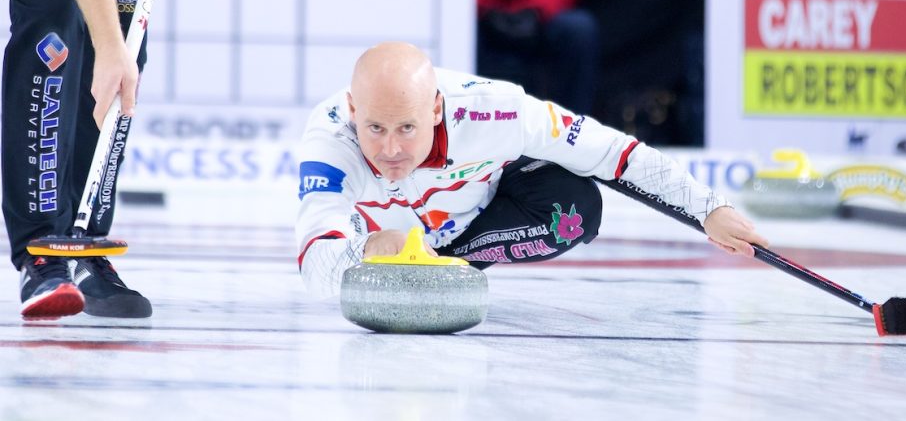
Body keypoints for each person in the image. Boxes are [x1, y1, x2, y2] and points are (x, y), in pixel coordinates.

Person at [295, 42, 768, 298]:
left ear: (437, 110)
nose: (390, 148)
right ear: (354, 110)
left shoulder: (497, 111)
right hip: (384, 249)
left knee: (576, 208)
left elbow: (614, 154)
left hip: (477, 223)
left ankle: (455, 262)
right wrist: (364, 252)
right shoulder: (330, 142)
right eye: (374, 127)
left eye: (407, 127)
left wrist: (709, 209)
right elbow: (315, 259)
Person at [0, 0, 226, 320]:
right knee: (56, 26)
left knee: (129, 44)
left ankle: (84, 242)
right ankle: (41, 251)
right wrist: (105, 46)